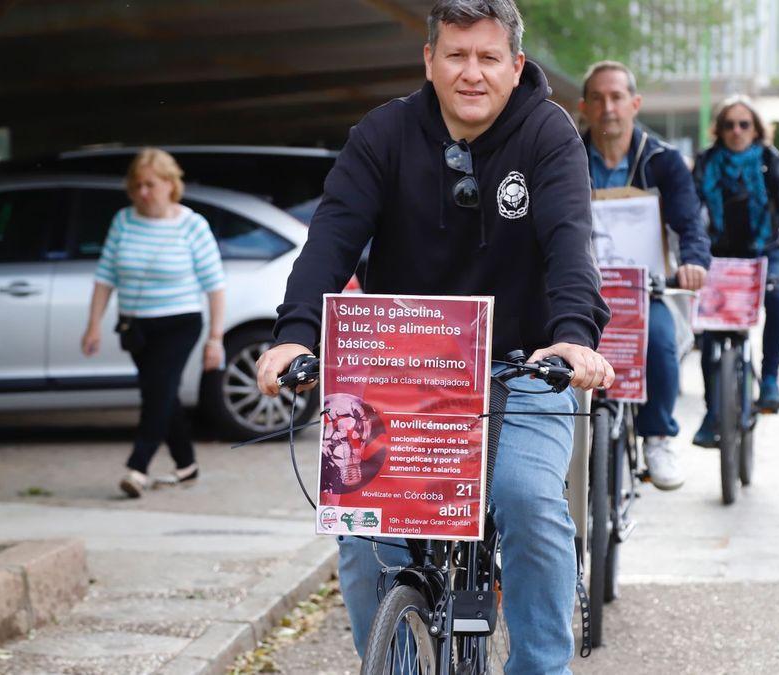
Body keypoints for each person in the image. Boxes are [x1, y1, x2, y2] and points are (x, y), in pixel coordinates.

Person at [253, 2, 613, 672]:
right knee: (359, 532)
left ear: (515, 66)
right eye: (455, 55)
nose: (471, 72)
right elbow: (330, 238)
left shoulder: (548, 135)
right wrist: (293, 332)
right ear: (429, 60)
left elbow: (570, 242)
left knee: (528, 499)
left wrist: (570, 336)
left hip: (523, 364)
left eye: (487, 57)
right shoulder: (382, 134)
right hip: (402, 372)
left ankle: (541, 665)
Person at [579, 60, 711, 490]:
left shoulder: (664, 161)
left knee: (659, 338)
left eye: (617, 97)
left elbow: (690, 222)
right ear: (584, 107)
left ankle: (657, 436)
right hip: (580, 292)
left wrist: (693, 261)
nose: (608, 107)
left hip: (643, 290)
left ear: (635, 104)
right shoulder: (565, 155)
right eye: (597, 98)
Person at [81, 148, 226, 498]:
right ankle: (186, 465)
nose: (143, 192)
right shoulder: (124, 221)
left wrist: (215, 338)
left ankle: (138, 466)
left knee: (157, 394)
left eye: (150, 184)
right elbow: (105, 275)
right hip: (136, 326)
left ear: (169, 184)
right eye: (137, 185)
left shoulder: (192, 225)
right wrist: (94, 324)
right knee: (162, 395)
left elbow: (215, 285)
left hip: (180, 323)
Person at [692, 95, 779, 447]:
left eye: (744, 124)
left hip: (766, 251)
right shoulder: (706, 161)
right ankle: (712, 412)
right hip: (719, 255)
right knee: (712, 335)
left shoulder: (770, 161)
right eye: (729, 124)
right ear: (719, 129)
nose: (737, 131)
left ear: (757, 128)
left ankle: (771, 379)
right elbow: (693, 211)